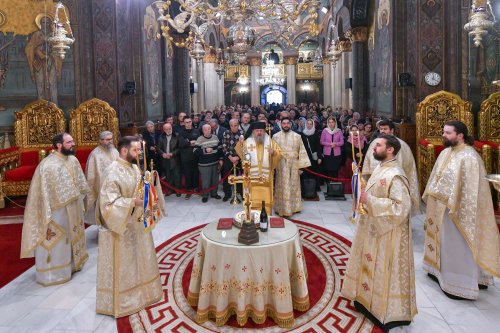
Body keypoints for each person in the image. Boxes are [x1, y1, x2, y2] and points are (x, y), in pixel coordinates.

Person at [342, 134, 416, 332]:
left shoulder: (396, 175)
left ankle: (384, 311)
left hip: (388, 234)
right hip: (373, 228)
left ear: (390, 149)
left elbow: (401, 207)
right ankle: (366, 302)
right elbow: (372, 192)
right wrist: (359, 181)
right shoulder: (381, 168)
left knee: (383, 268)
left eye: (378, 146)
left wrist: (369, 201)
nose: (373, 149)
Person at [422, 120, 500, 300]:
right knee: (443, 242)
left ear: (460, 135)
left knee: (457, 245)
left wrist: (454, 204)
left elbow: (471, 191)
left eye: (448, 133)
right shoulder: (446, 152)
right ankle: (437, 271)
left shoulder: (470, 157)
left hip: (456, 210)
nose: (444, 135)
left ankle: (460, 283)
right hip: (440, 207)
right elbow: (436, 176)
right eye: (444, 132)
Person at [96, 136, 166, 317]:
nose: (139, 153)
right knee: (126, 265)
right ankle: (128, 300)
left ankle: (145, 294)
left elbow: (142, 189)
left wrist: (151, 182)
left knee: (141, 259)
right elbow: (108, 205)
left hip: (138, 226)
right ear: (125, 150)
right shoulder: (112, 172)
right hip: (122, 228)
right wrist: (132, 202)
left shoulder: (134, 168)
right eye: (136, 150)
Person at [20, 133, 90, 286]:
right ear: (59, 145)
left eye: (72, 140)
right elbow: (45, 193)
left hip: (73, 207)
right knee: (59, 241)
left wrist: (78, 197)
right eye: (69, 142)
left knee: (72, 237)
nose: (73, 144)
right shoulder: (48, 165)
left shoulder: (73, 160)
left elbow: (80, 184)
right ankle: (56, 273)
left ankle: (73, 265)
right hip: (56, 211)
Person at [362, 119, 420, 216]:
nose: (382, 131)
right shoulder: (375, 142)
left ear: (392, 130)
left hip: (391, 181)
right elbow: (369, 162)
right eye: (380, 129)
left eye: (385, 129)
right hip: (376, 181)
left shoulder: (402, 145)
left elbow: (406, 167)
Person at [235, 121, 282, 213]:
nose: (259, 133)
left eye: (261, 130)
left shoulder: (271, 142)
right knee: (252, 199)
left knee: (266, 200)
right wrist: (240, 143)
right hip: (252, 177)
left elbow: (279, 154)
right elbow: (239, 150)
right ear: (253, 132)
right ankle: (252, 213)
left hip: (266, 177)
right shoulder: (247, 142)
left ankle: (266, 214)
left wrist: (274, 153)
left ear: (264, 131)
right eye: (257, 131)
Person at [273, 117, 311, 216]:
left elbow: (302, 151)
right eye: (284, 123)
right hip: (281, 164)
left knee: (293, 185)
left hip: (294, 164)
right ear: (281, 125)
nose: (286, 125)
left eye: (287, 123)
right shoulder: (275, 137)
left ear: (290, 124)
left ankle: (294, 207)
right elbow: (273, 153)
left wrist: (301, 166)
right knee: (282, 185)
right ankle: (281, 207)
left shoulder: (297, 136)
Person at [84, 131, 119, 225]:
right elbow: (91, 175)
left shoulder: (114, 151)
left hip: (116, 185)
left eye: (111, 139)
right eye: (107, 139)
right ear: (101, 141)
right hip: (102, 187)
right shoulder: (95, 154)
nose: (110, 141)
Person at [25, 15, 61, 104]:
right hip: (39, 63)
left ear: (50, 24)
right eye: (43, 22)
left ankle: (54, 105)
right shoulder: (36, 35)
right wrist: (38, 51)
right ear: (40, 24)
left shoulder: (54, 35)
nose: (45, 24)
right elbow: (29, 48)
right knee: (40, 83)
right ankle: (41, 105)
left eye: (47, 22)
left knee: (52, 83)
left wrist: (51, 53)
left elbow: (58, 48)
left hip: (51, 62)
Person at [193, 124, 223, 203]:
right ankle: (205, 195)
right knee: (206, 181)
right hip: (204, 165)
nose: (207, 131)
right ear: (203, 131)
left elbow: (220, 149)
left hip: (215, 162)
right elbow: (195, 151)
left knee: (215, 180)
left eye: (209, 129)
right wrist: (205, 150)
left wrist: (220, 159)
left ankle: (214, 194)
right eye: (205, 130)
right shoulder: (200, 139)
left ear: (211, 129)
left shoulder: (215, 137)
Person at [222, 119, 244, 202]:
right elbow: (224, 147)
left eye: (235, 125)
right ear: (230, 126)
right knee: (227, 176)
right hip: (229, 158)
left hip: (239, 159)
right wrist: (231, 158)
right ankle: (227, 194)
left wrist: (238, 157)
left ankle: (241, 193)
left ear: (238, 125)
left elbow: (244, 147)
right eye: (232, 125)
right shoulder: (226, 133)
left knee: (240, 176)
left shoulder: (242, 133)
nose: (234, 127)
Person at [178, 116, 200, 199]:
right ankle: (189, 191)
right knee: (187, 174)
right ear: (183, 123)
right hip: (185, 156)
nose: (188, 124)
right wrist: (190, 142)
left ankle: (196, 188)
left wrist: (187, 141)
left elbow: (198, 142)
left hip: (195, 155)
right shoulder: (181, 132)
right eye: (186, 122)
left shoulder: (196, 131)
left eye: (189, 122)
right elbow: (181, 144)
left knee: (195, 173)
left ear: (192, 122)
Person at [157, 123, 181, 197]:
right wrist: (162, 154)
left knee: (176, 174)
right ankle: (170, 189)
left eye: (169, 129)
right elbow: (158, 148)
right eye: (166, 129)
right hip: (165, 159)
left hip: (175, 158)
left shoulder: (177, 135)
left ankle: (177, 190)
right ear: (164, 130)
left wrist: (172, 154)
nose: (168, 130)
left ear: (172, 128)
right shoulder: (161, 137)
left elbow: (180, 148)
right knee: (168, 175)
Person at [301, 119, 323, 192]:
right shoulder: (302, 134)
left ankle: (314, 188)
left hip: (314, 157)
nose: (309, 125)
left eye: (311, 124)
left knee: (314, 172)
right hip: (305, 156)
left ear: (313, 125)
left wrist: (319, 157)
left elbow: (318, 146)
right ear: (305, 125)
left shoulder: (315, 134)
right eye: (308, 124)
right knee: (305, 173)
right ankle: (306, 188)